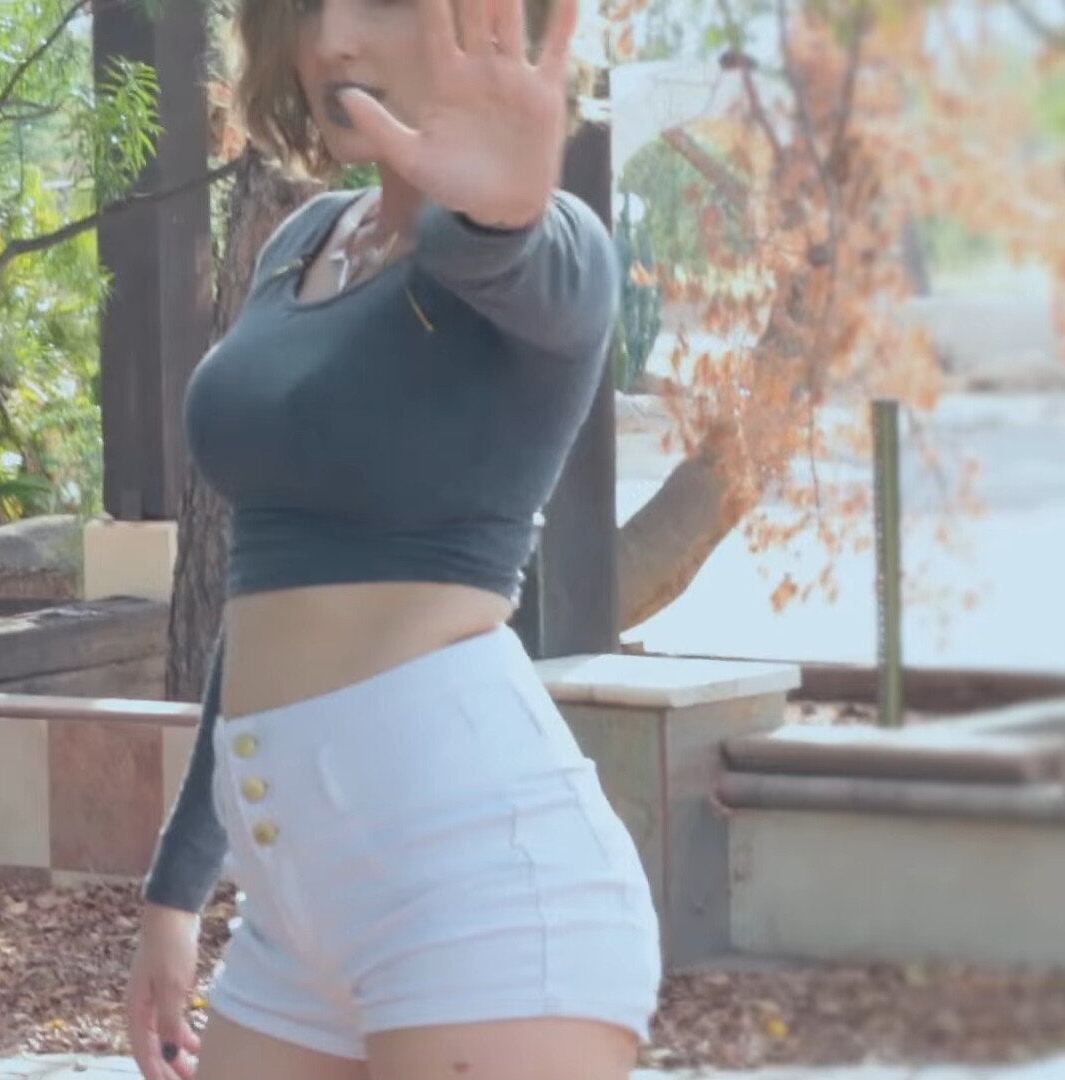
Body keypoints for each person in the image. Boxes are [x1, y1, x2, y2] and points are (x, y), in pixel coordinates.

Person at [121, 0, 663, 1076]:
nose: (331, 41)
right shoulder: (303, 241)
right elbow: (263, 592)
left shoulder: (554, 254)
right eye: (306, 9)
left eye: (378, 3)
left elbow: (508, 253)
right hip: (293, 912)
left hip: (481, 898)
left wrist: (494, 212)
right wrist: (176, 892)